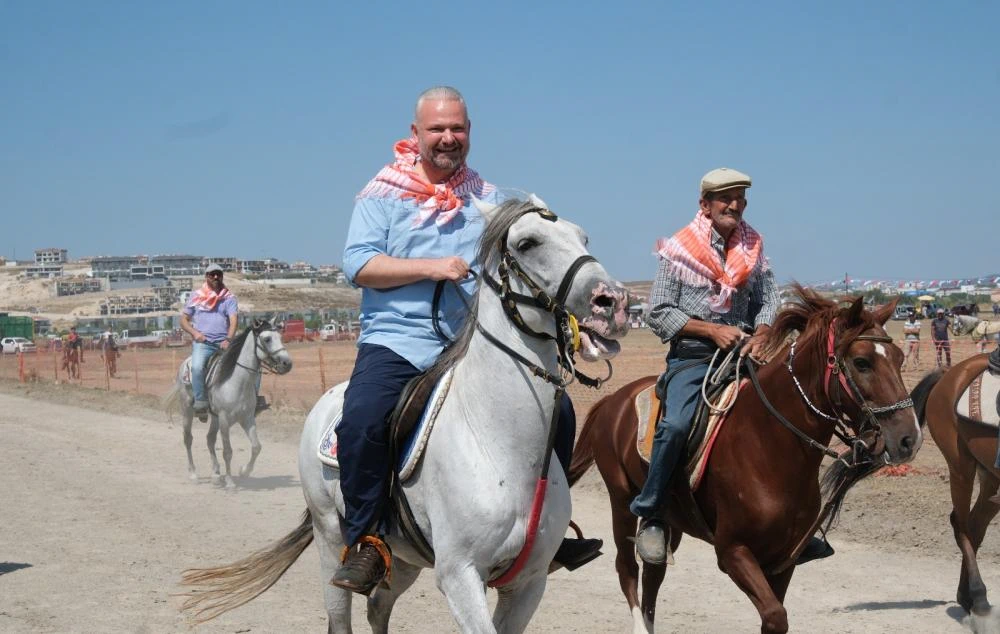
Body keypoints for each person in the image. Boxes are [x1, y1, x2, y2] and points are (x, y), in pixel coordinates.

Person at [331, 86, 602, 594]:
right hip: (399, 342)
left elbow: (528, 267)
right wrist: (433, 268)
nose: (448, 138)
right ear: (416, 134)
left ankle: (549, 529)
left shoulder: (490, 200)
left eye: (457, 129)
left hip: (472, 345)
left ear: (469, 133)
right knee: (365, 417)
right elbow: (359, 264)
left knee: (559, 411)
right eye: (437, 129)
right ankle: (367, 541)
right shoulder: (381, 194)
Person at [631, 167, 830, 566]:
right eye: (725, 198)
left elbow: (770, 301)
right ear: (705, 205)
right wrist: (710, 330)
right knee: (675, 425)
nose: (734, 205)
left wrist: (760, 332)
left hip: (744, 353)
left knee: (793, 414)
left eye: (740, 197)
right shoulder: (678, 250)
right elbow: (658, 312)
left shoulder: (752, 248)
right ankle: (651, 512)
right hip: (693, 357)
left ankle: (799, 521)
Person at [180, 264, 265, 414]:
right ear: (206, 276)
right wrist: (195, 334)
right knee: (197, 367)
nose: (215, 277)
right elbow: (184, 320)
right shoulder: (196, 296)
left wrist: (228, 339)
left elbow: (233, 320)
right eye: (212, 274)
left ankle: (254, 399)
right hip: (203, 343)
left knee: (253, 365)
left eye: (218, 274)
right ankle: (200, 401)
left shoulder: (229, 298)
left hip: (224, 342)